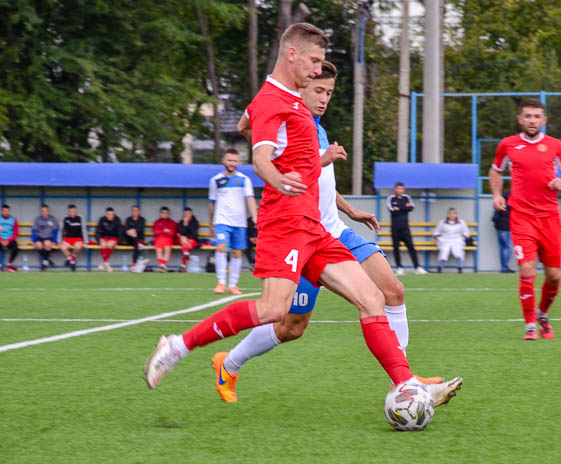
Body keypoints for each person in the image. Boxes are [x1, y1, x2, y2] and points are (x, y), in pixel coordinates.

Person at [144, 23, 461, 408]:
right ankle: (178, 345)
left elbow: (247, 127)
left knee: (373, 298)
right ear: (291, 54)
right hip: (286, 223)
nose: (316, 71)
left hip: (316, 227)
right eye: (313, 62)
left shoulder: (292, 99)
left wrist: (297, 164)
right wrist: (278, 176)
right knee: (275, 310)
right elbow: (259, 157)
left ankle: (407, 384)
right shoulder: (271, 100)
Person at [221, 60, 441, 402]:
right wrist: (300, 151)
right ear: (300, 86)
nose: (324, 99)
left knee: (393, 291)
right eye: (318, 91)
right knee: (291, 327)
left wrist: (351, 210)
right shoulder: (284, 119)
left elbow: (319, 183)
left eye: (329, 93)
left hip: (337, 231)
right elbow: (245, 124)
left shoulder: (317, 127)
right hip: (304, 236)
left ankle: (405, 379)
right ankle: (230, 363)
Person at [489, 99, 561, 340]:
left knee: (554, 275)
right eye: (527, 116)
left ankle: (543, 315)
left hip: (549, 217)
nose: (532, 120)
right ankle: (530, 326)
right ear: (520, 119)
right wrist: (497, 195)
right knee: (527, 268)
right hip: (521, 216)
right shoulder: (508, 145)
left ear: (543, 120)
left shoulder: (555, 146)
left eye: (536, 116)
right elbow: (496, 170)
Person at [208, 149, 258, 294]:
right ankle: (221, 282)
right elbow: (212, 203)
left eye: (235, 161)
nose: (232, 163)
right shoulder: (215, 180)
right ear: (224, 161)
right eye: (229, 160)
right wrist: (211, 223)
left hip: (239, 222)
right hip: (221, 220)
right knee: (221, 247)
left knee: (236, 253)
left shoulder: (244, 180)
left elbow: (250, 198)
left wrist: (254, 216)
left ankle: (233, 285)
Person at [386, 182, 427, 275]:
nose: (399, 190)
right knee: (396, 248)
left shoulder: (407, 197)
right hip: (395, 228)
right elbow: (392, 210)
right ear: (395, 189)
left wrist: (399, 208)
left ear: (403, 189)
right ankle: (399, 267)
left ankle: (417, 267)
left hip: (405, 228)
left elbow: (412, 207)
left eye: (401, 189)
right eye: (398, 188)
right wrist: (404, 207)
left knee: (411, 247)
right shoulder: (391, 198)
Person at [432, 208, 470, 273]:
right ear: (448, 214)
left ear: (456, 214)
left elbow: (466, 233)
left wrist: (462, 238)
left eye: (453, 214)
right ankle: (440, 268)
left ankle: (460, 268)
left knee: (458, 250)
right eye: (450, 214)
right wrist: (440, 239)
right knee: (444, 250)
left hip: (457, 239)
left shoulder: (461, 222)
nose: (452, 215)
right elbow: (436, 232)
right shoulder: (442, 222)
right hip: (445, 239)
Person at [58, 204, 88, 272]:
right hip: (68, 238)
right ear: (68, 212)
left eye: (73, 211)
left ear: (76, 211)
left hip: (78, 238)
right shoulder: (65, 218)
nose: (72, 213)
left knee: (78, 247)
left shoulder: (80, 218)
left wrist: (86, 242)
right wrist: (59, 241)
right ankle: (72, 262)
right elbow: (61, 230)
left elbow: (84, 229)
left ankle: (70, 259)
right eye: (70, 211)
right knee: (63, 248)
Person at [492, 192, 514, 273]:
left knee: (502, 247)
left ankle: (503, 266)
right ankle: (504, 267)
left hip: (499, 227)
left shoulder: (501, 200)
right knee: (507, 247)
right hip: (506, 227)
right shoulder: (512, 200)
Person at [32, 204, 59, 271]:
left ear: (48, 211)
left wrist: (55, 241)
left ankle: (44, 263)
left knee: (47, 244)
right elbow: (34, 231)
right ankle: (47, 260)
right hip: (40, 237)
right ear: (41, 212)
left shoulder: (53, 219)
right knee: (38, 245)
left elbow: (56, 231)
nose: (44, 213)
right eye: (43, 211)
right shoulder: (37, 219)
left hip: (49, 237)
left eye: (46, 211)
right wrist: (34, 241)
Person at [95, 207, 122, 272]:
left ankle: (104, 263)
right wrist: (99, 240)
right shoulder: (102, 219)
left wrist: (117, 242)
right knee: (103, 245)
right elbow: (97, 231)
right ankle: (106, 263)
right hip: (104, 237)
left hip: (113, 238)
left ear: (114, 214)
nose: (110, 216)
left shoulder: (117, 220)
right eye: (109, 214)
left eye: (112, 214)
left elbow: (120, 232)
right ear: (106, 214)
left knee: (109, 245)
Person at [152, 206, 179, 272]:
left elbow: (172, 233)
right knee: (158, 249)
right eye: (163, 213)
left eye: (166, 213)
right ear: (160, 213)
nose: (165, 214)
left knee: (167, 248)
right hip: (159, 239)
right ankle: (163, 265)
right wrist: (164, 231)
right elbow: (156, 232)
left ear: (168, 214)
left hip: (168, 239)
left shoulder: (172, 222)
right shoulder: (157, 222)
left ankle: (162, 265)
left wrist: (162, 232)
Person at [123, 205, 147, 272]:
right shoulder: (128, 219)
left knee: (137, 245)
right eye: (133, 210)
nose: (135, 212)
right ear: (131, 211)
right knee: (133, 236)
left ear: (139, 211)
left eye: (136, 210)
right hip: (130, 240)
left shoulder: (142, 219)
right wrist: (130, 231)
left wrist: (133, 230)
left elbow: (140, 229)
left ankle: (133, 265)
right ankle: (139, 244)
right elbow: (126, 230)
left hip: (139, 239)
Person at [178, 207, 200, 272]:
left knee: (185, 245)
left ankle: (183, 265)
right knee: (184, 243)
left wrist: (186, 239)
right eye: (185, 214)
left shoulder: (195, 222)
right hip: (183, 241)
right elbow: (181, 233)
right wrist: (185, 224)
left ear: (191, 214)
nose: (187, 215)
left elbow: (194, 234)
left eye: (188, 213)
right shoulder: (181, 222)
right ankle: (184, 260)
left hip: (192, 240)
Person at [0, 204, 19, 272]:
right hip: (0, 239)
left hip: (10, 240)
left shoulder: (13, 220)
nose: (6, 212)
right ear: (2, 211)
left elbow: (16, 234)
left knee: (16, 249)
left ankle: (9, 265)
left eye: (7, 211)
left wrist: (8, 240)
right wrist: (1, 240)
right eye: (4, 211)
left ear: (10, 211)